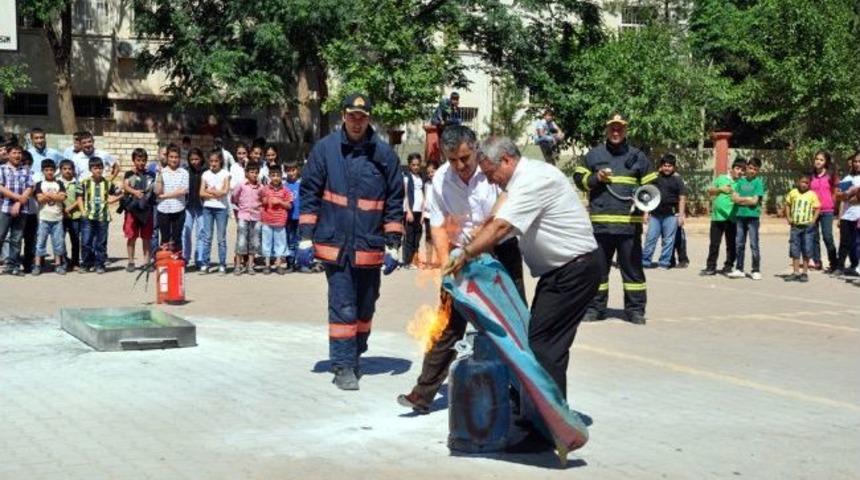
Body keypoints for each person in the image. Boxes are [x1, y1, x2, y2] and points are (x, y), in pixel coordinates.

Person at [444, 137, 600, 452]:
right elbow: (499, 216)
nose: (489, 180)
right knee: (539, 343)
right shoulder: (521, 181)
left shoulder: (534, 180)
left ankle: (549, 433)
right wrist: (476, 239)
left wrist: (465, 253)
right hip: (559, 272)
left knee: (544, 348)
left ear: (506, 160)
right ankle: (541, 416)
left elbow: (501, 228)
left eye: (490, 173)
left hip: (574, 271)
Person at [397, 125, 525, 413]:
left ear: (475, 148)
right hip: (460, 256)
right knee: (447, 326)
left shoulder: (492, 170)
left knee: (511, 324)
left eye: (465, 159)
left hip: (500, 250)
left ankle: (521, 396)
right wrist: (446, 265)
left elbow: (506, 209)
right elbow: (439, 226)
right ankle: (423, 393)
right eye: (452, 159)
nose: (460, 166)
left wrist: (482, 241)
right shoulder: (441, 179)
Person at [297, 93, 404, 390]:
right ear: (344, 116)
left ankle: (356, 350)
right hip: (337, 245)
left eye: (362, 117)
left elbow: (394, 200)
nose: (357, 122)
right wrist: (305, 238)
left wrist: (393, 243)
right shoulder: (325, 150)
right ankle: (343, 365)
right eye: (352, 116)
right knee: (343, 306)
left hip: (369, 246)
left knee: (366, 306)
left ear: (369, 118)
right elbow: (309, 194)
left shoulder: (384, 155)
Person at [572, 114, 655, 324]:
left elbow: (652, 188)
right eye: (612, 128)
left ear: (625, 130)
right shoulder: (593, 155)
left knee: (633, 271)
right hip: (600, 226)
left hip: (629, 226)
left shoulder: (638, 157)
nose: (616, 132)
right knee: (598, 272)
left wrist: (644, 201)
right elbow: (579, 180)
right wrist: (595, 178)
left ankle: (635, 310)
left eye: (620, 128)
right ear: (607, 130)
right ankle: (595, 308)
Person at [701, 158, 745, 276]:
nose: (740, 171)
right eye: (738, 168)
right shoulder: (721, 178)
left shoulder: (742, 183)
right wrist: (721, 189)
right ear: (731, 169)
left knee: (731, 244)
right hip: (717, 217)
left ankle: (728, 266)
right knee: (714, 243)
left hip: (732, 218)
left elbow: (745, 198)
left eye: (742, 170)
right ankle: (711, 267)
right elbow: (710, 191)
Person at [642, 153, 687, 269]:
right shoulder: (655, 179)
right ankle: (645, 262)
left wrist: (681, 216)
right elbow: (648, 195)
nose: (667, 168)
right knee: (650, 239)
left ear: (674, 167)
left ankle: (664, 263)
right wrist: (646, 213)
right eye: (665, 165)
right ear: (661, 166)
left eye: (670, 166)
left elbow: (682, 198)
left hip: (671, 216)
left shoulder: (677, 180)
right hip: (655, 215)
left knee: (668, 241)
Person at [79, 157, 121, 273]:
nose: (98, 170)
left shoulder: (107, 183)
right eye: (95, 168)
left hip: (103, 217)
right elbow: (80, 198)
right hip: (88, 216)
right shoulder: (84, 183)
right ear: (90, 169)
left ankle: (100, 264)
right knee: (86, 241)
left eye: (100, 168)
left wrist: (115, 198)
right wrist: (83, 212)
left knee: (101, 242)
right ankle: (86, 263)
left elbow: (119, 192)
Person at [728, 157, 766, 280]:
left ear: (758, 171)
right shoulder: (740, 182)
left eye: (755, 169)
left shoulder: (758, 182)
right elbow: (734, 198)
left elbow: (755, 201)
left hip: (753, 217)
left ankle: (756, 270)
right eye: (750, 168)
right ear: (747, 167)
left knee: (754, 244)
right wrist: (747, 200)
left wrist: (742, 200)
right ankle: (739, 269)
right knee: (739, 243)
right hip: (740, 216)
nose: (752, 171)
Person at [0, 145, 35, 276]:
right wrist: (17, 198)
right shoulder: (2, 169)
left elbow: (30, 187)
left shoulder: (26, 170)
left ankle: (13, 265)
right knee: (0, 235)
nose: (17, 155)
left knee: (17, 238)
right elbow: (1, 188)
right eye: (14, 153)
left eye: (19, 153)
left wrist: (19, 203)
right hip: (4, 207)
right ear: (8, 154)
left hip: (22, 209)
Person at [121, 148, 156, 271]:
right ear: (133, 160)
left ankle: (146, 262)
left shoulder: (151, 174)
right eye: (138, 160)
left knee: (146, 237)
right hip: (133, 210)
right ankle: (131, 261)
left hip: (147, 210)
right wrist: (135, 192)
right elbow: (125, 186)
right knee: (132, 236)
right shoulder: (129, 174)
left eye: (143, 160)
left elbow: (155, 187)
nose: (141, 163)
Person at [198, 149, 231, 275]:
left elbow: (225, 191)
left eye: (216, 161)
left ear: (221, 161)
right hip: (208, 208)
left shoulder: (225, 174)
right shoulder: (205, 174)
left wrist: (210, 192)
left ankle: (222, 264)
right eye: (211, 161)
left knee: (221, 238)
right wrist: (215, 193)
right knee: (207, 237)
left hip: (221, 209)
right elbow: (201, 193)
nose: (213, 163)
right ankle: (205, 264)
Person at [32, 159, 67, 275]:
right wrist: (54, 196)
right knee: (40, 242)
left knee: (58, 243)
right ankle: (37, 265)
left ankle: (58, 264)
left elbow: (62, 198)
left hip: (57, 218)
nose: (49, 172)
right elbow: (40, 199)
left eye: (51, 170)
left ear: (55, 171)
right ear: (43, 171)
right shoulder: (39, 184)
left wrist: (46, 195)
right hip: (43, 218)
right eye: (46, 170)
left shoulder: (59, 183)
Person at [784, 174, 820, 282]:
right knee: (795, 249)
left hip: (807, 227)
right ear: (798, 182)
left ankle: (804, 272)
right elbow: (787, 204)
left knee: (807, 249)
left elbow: (817, 208)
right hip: (795, 226)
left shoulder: (812, 195)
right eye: (802, 182)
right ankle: (795, 272)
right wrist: (788, 218)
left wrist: (813, 220)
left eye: (807, 183)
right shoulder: (793, 192)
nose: (804, 184)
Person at [154, 144, 190, 253]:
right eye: (171, 157)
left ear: (179, 158)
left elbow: (183, 191)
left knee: (177, 238)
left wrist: (164, 195)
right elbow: (157, 192)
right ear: (167, 157)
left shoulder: (184, 172)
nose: (173, 159)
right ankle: (164, 264)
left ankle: (177, 265)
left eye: (176, 157)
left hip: (179, 209)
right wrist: (159, 174)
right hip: (163, 210)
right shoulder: (161, 172)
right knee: (164, 239)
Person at [808, 151, 839, 272]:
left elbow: (835, 191)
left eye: (821, 159)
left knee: (827, 237)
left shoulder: (830, 175)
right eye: (817, 159)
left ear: (826, 162)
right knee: (814, 237)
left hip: (827, 211)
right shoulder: (810, 175)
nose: (818, 161)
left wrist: (833, 204)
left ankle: (834, 263)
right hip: (813, 210)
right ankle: (817, 261)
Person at [231, 162, 263, 275]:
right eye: (252, 172)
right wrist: (239, 208)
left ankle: (250, 265)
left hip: (256, 217)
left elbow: (263, 200)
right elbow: (234, 197)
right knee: (241, 241)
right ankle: (238, 265)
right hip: (243, 216)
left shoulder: (260, 187)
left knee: (254, 242)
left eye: (256, 173)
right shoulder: (241, 184)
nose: (254, 175)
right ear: (246, 173)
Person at [260, 166, 293, 274]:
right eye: (273, 175)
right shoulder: (264, 189)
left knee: (280, 243)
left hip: (280, 221)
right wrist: (264, 201)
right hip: (267, 221)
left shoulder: (286, 190)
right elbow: (259, 201)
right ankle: (267, 265)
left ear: (281, 176)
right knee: (266, 243)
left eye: (278, 175)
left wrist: (280, 202)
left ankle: (278, 264)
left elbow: (289, 206)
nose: (275, 178)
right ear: (269, 176)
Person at [835, 152, 860, 277]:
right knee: (845, 243)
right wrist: (848, 194)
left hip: (858, 216)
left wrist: (853, 195)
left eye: (859, 161)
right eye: (855, 161)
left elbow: (855, 199)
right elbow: (839, 195)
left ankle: (855, 266)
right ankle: (840, 267)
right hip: (846, 215)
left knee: (857, 243)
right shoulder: (847, 178)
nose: (857, 164)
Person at [183, 148, 206, 269]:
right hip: (188, 206)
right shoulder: (185, 171)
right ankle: (185, 258)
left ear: (201, 158)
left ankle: (200, 258)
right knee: (186, 232)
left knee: (201, 232)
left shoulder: (206, 172)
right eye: (191, 159)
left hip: (202, 207)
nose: (194, 161)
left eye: (196, 159)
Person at [58, 159, 82, 272]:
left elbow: (80, 199)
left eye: (70, 169)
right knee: (60, 239)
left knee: (75, 240)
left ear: (73, 170)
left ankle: (75, 262)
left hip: (75, 216)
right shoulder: (57, 183)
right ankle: (63, 261)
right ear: (60, 170)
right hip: (60, 216)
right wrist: (63, 209)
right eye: (65, 169)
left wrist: (69, 208)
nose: (67, 171)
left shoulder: (77, 183)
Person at [402, 152, 424, 270]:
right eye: (413, 165)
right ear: (409, 165)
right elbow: (405, 194)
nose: (416, 167)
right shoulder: (406, 177)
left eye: (418, 165)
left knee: (417, 236)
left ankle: (415, 260)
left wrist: (423, 212)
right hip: (410, 210)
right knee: (409, 237)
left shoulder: (421, 177)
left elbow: (423, 194)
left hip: (419, 211)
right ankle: (407, 261)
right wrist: (408, 211)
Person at [20, 151, 39, 273]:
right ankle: (13, 262)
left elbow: (34, 190)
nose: (26, 165)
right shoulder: (16, 174)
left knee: (31, 239)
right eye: (24, 163)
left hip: (32, 211)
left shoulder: (36, 175)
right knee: (15, 238)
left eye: (29, 163)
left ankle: (28, 263)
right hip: (19, 211)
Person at [284, 160, 302, 272]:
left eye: (293, 170)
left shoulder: (302, 184)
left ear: (298, 170)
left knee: (299, 240)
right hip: (288, 218)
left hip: (300, 217)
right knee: (290, 240)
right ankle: (290, 263)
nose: (291, 173)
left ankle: (300, 262)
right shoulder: (284, 186)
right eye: (288, 171)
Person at [420, 160, 438, 269]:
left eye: (432, 171)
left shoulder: (441, 184)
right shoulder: (427, 184)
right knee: (428, 238)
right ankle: (428, 261)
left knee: (438, 238)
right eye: (428, 172)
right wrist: (422, 214)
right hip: (427, 215)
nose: (430, 174)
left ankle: (440, 260)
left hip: (437, 216)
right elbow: (425, 198)